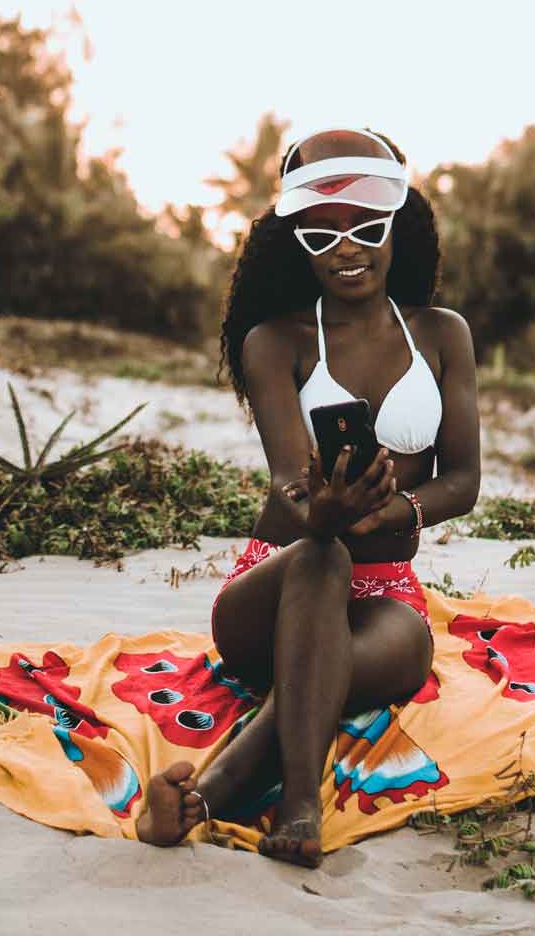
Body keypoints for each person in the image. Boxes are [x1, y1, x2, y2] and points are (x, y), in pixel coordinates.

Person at [136, 127, 481, 867]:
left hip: (386, 591)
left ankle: (205, 798)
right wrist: (321, 514)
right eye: (321, 234)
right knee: (323, 555)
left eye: (366, 226)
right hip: (279, 577)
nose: (346, 247)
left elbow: (462, 481)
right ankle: (299, 803)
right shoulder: (275, 340)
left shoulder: (443, 334)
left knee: (390, 655)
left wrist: (397, 513)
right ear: (295, 239)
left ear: (399, 225)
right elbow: (290, 487)